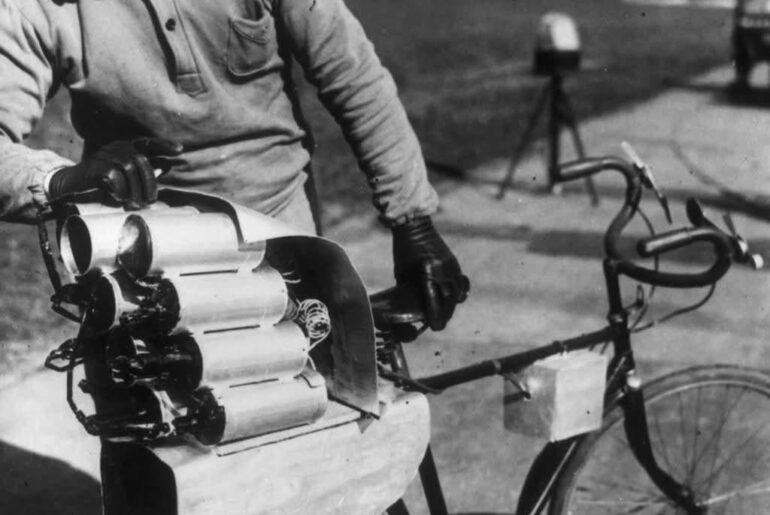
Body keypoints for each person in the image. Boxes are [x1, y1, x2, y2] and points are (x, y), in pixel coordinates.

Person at [0, 0, 468, 329]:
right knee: (155, 427)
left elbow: (353, 75)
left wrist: (413, 222)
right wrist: (61, 180)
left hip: (280, 230)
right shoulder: (36, 7)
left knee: (307, 408)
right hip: (140, 252)